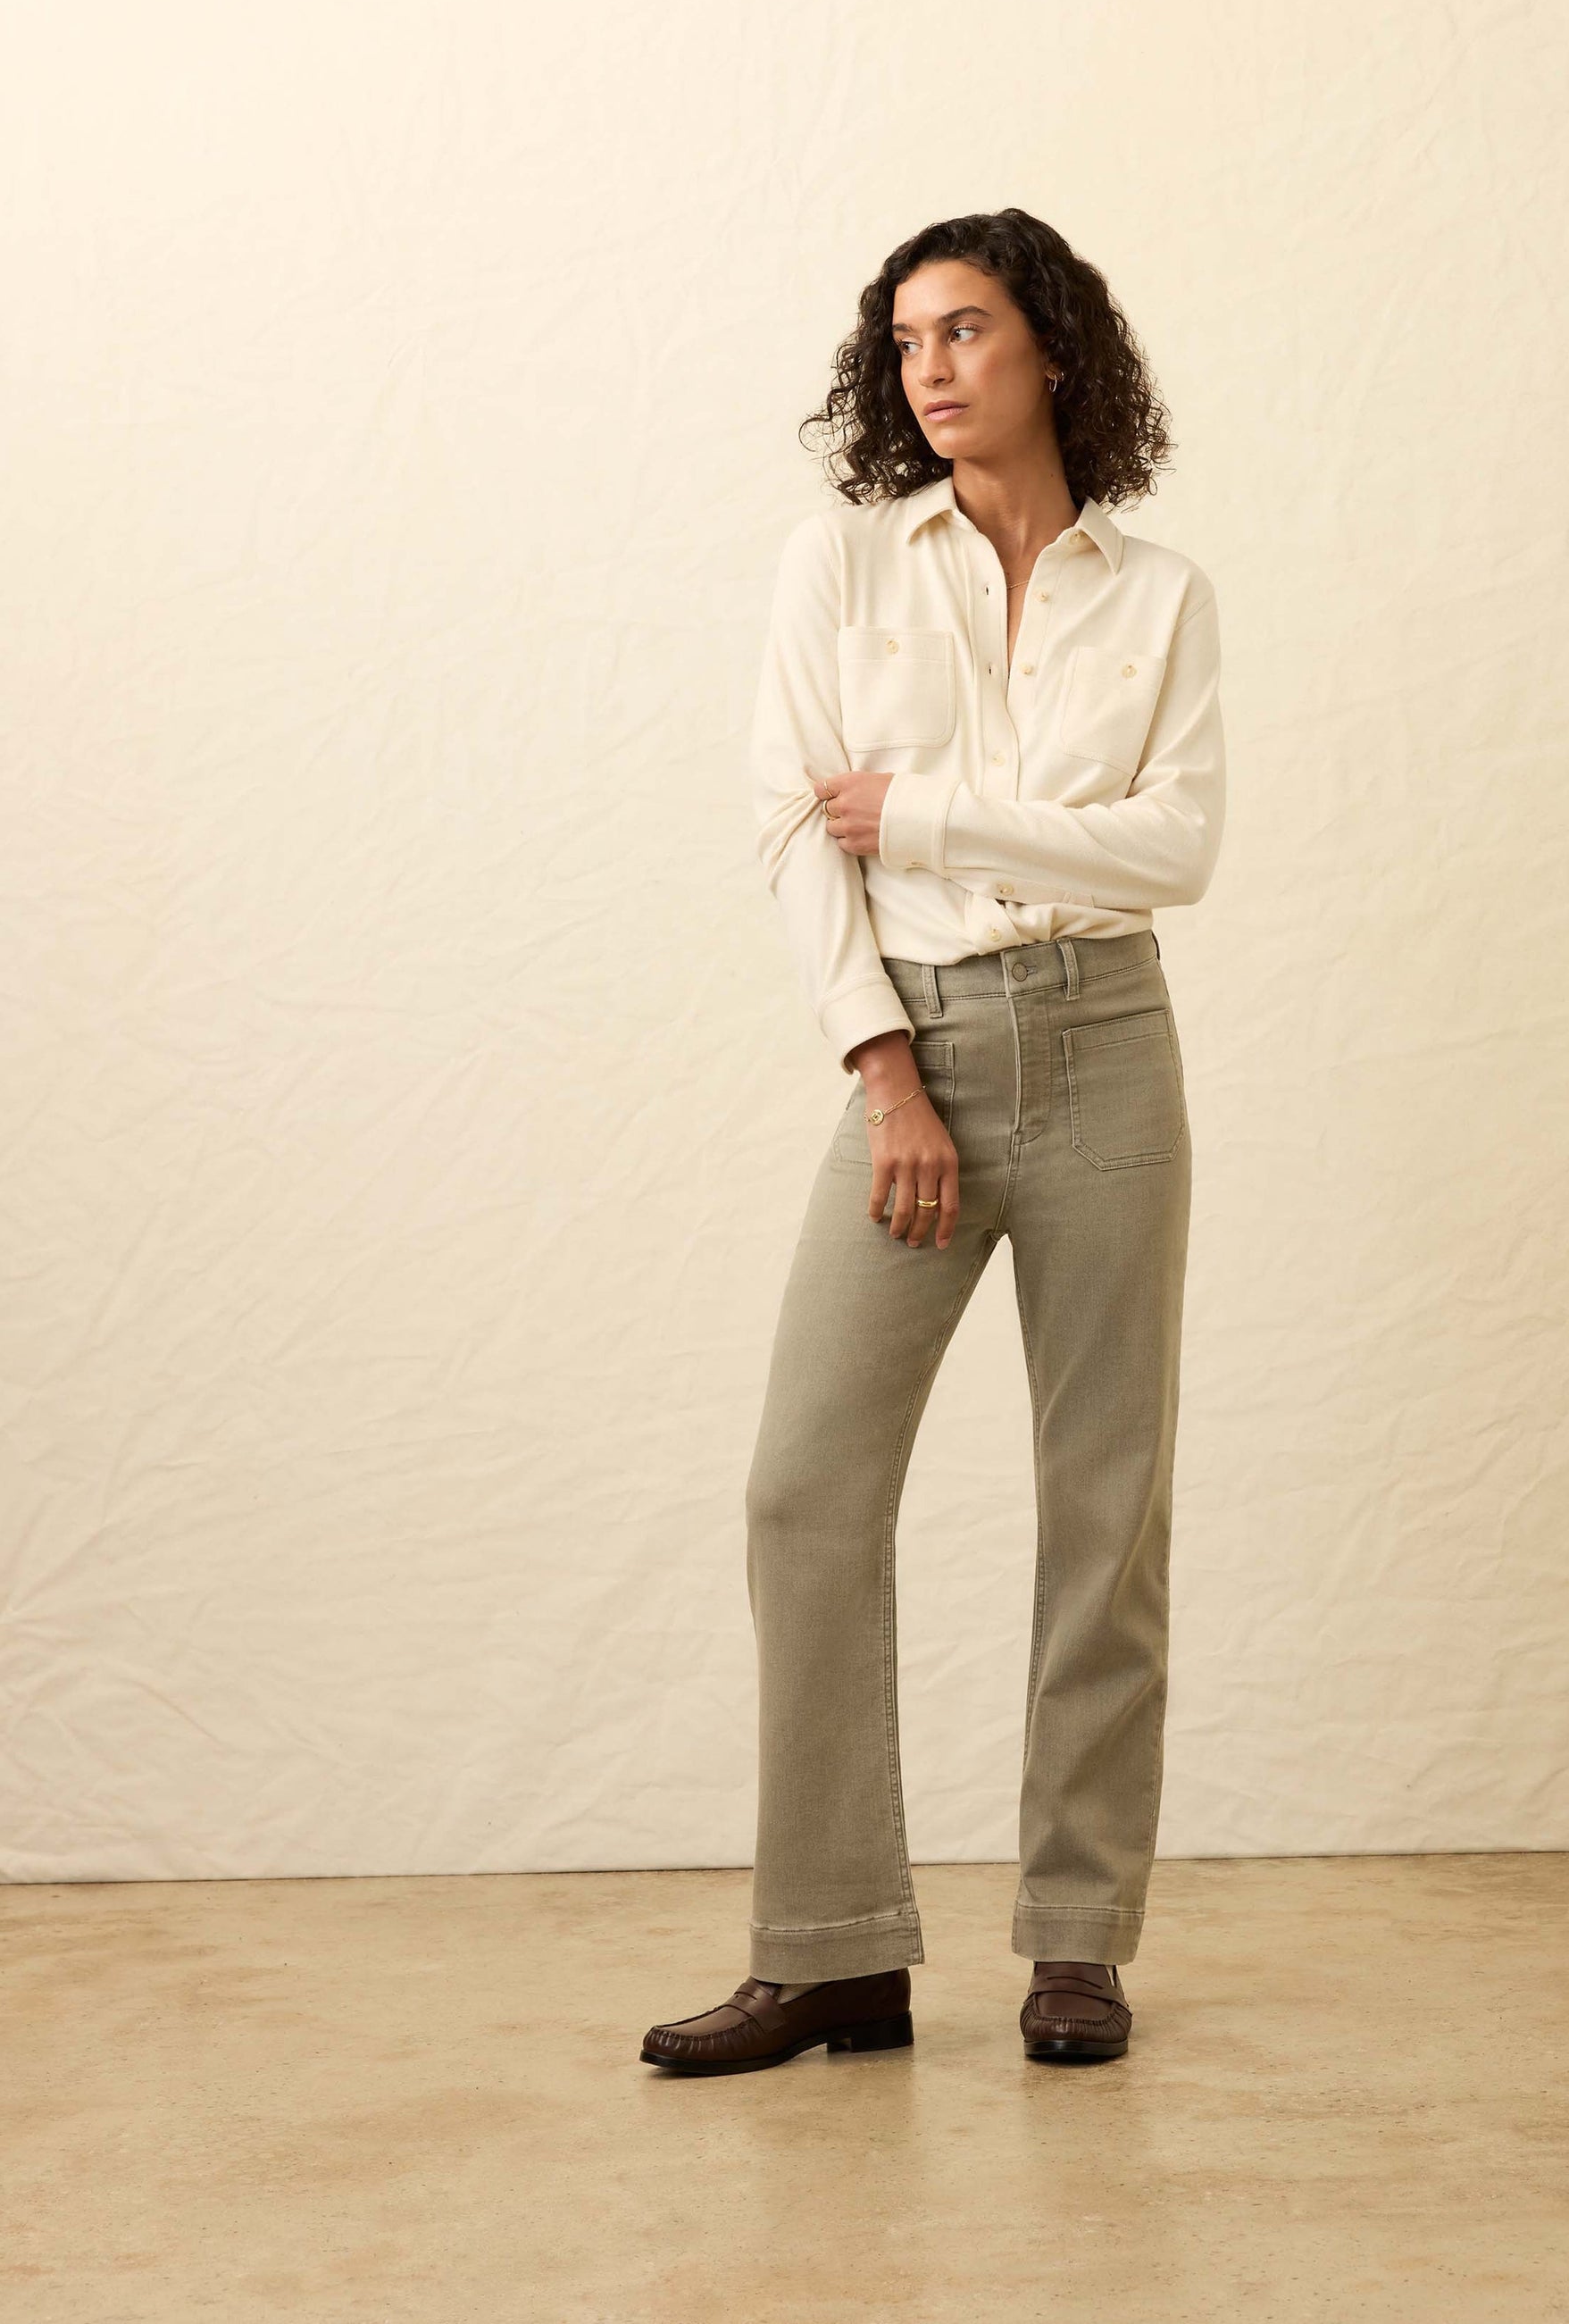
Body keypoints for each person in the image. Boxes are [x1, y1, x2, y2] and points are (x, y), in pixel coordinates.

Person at [640, 207, 1227, 2076]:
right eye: (903, 342)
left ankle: (1079, 1942)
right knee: (804, 1489)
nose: (929, 368)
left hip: (1112, 1049)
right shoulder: (841, 564)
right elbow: (787, 827)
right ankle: (831, 1951)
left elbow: (1176, 849)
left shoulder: (1160, 596)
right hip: (923, 1049)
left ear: (1051, 344)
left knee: (1107, 1507)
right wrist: (885, 1073)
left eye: (964, 329)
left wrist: (923, 812)